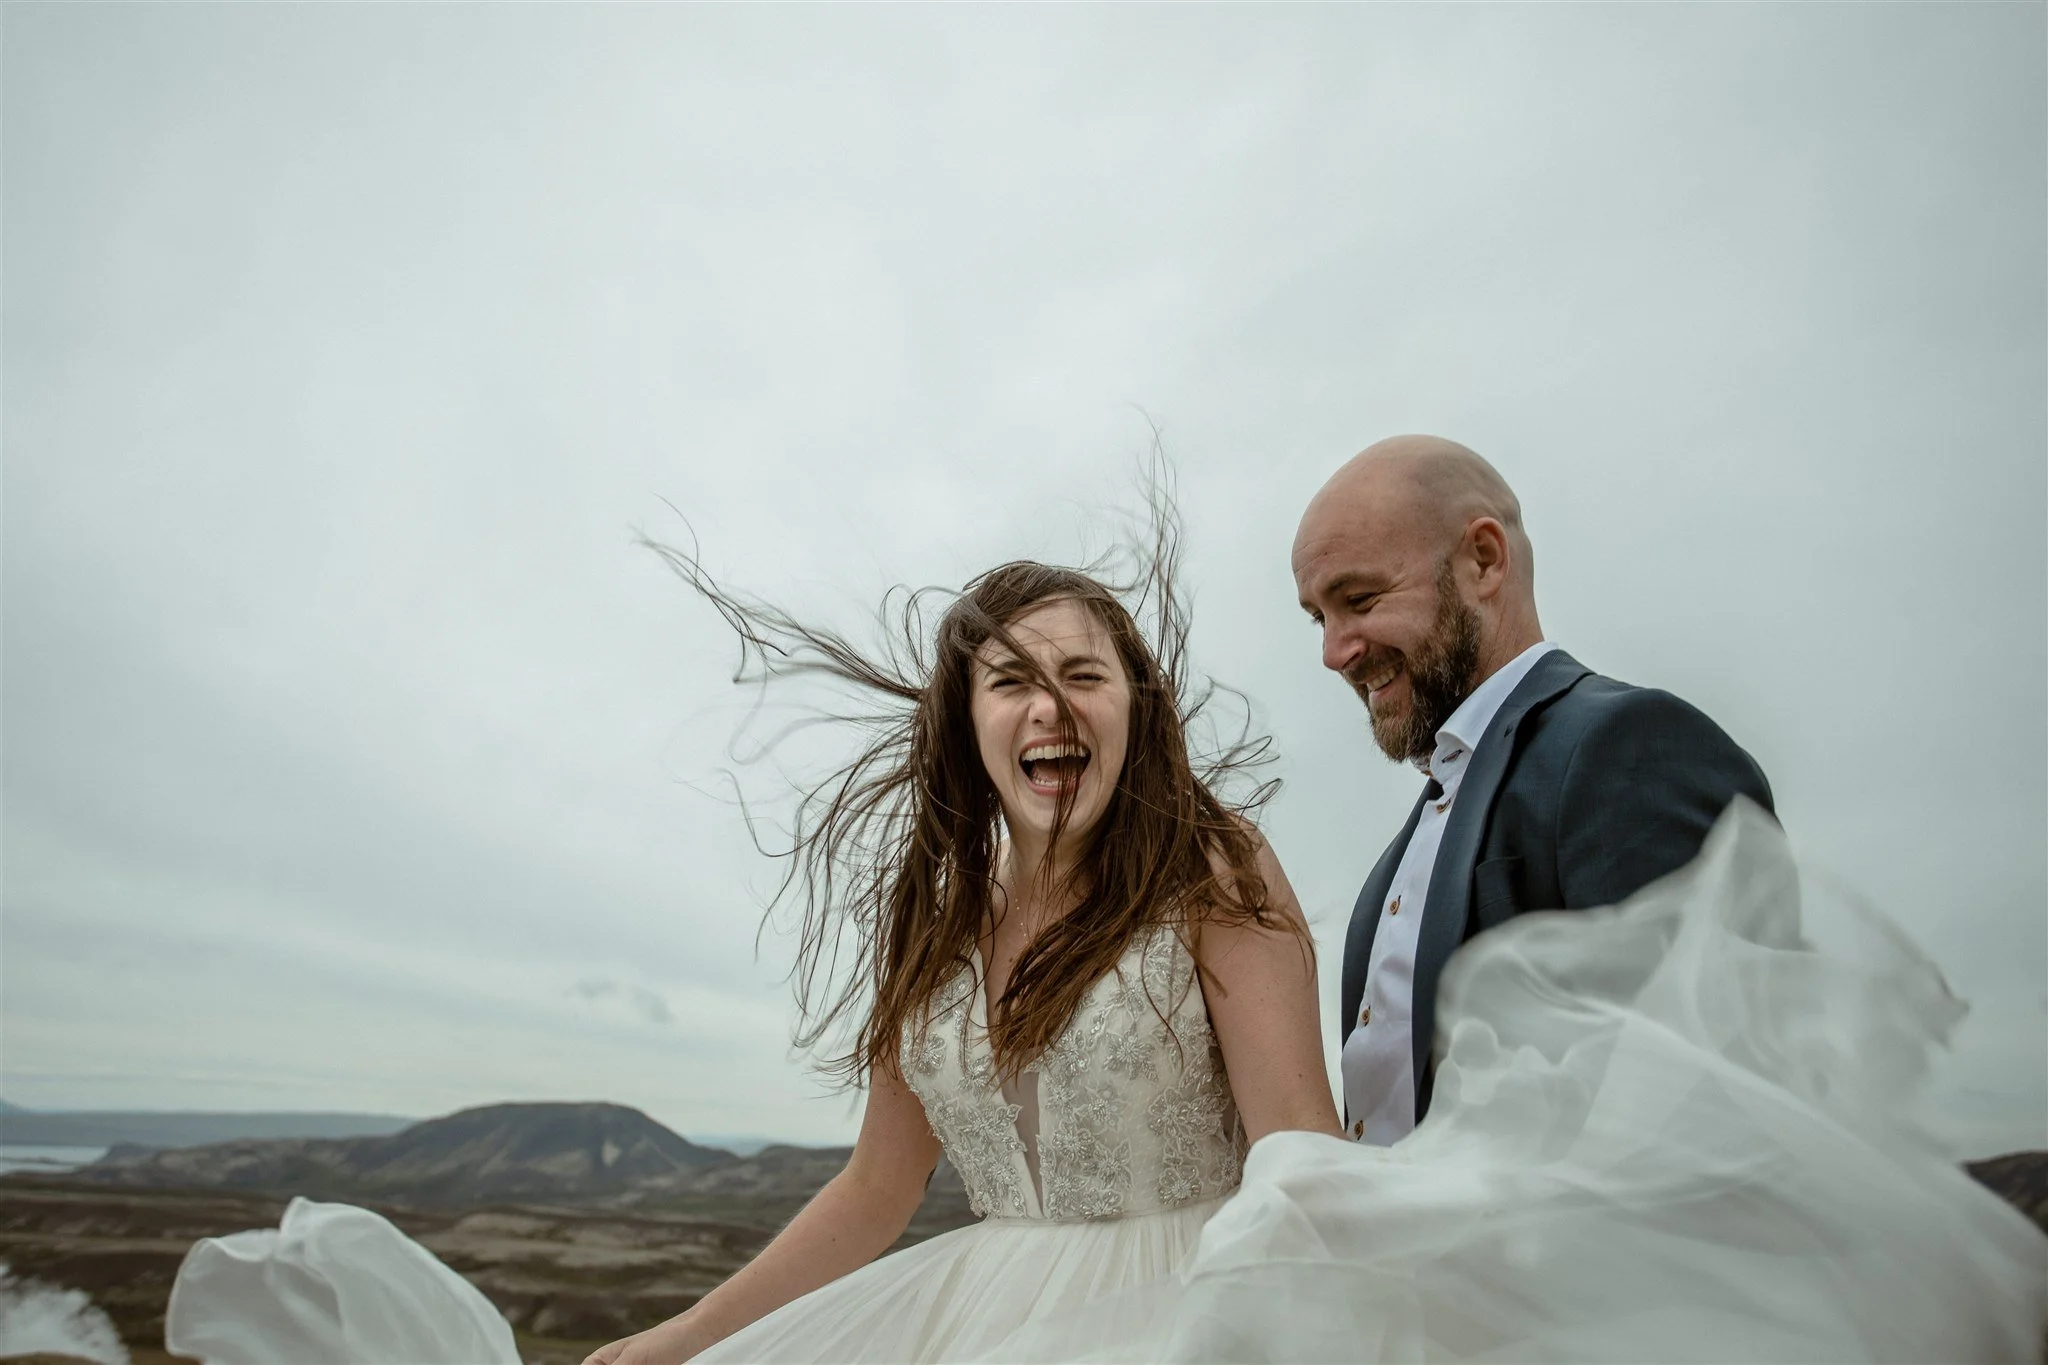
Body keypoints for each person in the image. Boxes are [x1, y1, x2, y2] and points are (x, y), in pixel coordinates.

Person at [164, 495, 2047, 1365]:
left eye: (1081, 671)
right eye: (1005, 680)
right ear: (967, 725)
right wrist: (676, 1338)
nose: (1044, 702)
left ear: (1128, 706)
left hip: (1181, 1310)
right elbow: (871, 1192)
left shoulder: (1215, 874)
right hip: (952, 1312)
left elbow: (1298, 1137)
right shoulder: (934, 930)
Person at [1289, 433, 1775, 1141]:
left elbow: (1706, 1106)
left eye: (1358, 599)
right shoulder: (1388, 870)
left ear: (1483, 559)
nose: (1335, 652)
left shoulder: (1627, 745)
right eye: (1319, 619)